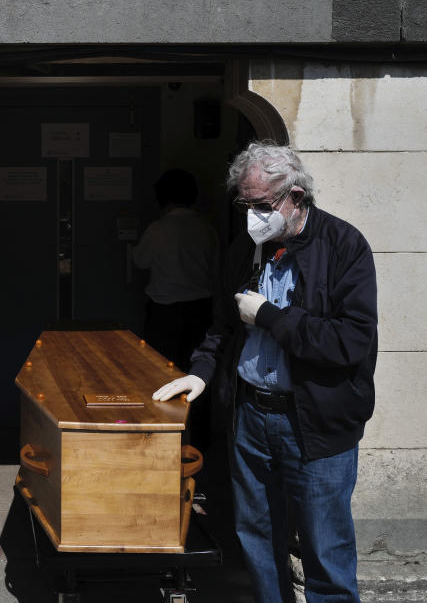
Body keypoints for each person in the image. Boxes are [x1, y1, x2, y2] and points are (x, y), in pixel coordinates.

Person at [153, 141, 377, 603]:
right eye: (245, 204)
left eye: (262, 204)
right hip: (251, 417)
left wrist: (270, 316)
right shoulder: (244, 249)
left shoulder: (344, 245)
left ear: (295, 196)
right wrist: (201, 371)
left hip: (315, 424)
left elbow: (350, 342)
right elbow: (222, 326)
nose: (253, 215)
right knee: (256, 538)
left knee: (325, 550)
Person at [133, 169, 219, 451]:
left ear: (162, 198)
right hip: (200, 311)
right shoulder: (206, 228)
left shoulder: (158, 229)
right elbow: (217, 268)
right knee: (199, 376)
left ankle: (162, 443)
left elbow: (141, 261)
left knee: (161, 378)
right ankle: (200, 443)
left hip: (164, 312)